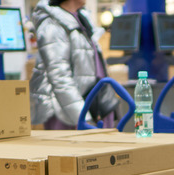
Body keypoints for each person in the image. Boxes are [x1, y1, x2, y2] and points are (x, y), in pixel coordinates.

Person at [29, 0, 117, 130]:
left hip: (88, 104)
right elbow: (59, 76)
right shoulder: (53, 25)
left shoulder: (81, 19)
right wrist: (82, 117)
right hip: (65, 112)